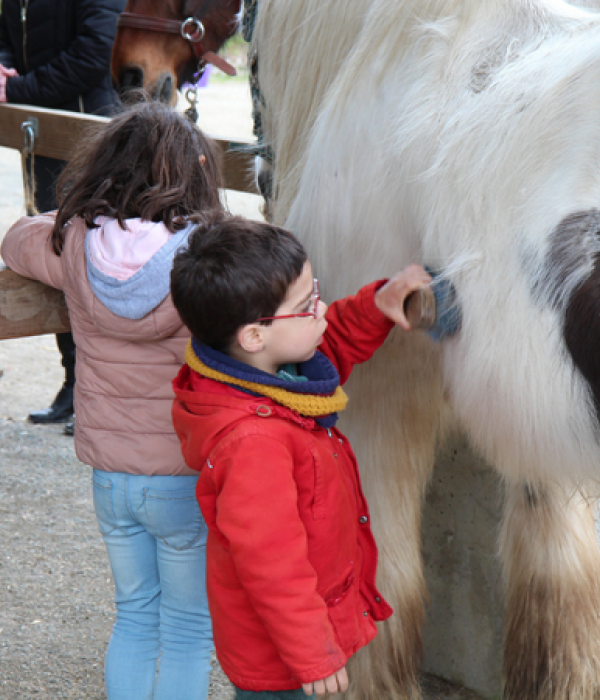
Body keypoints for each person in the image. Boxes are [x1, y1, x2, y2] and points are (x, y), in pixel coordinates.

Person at [1, 100, 224, 700]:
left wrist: (76, 215)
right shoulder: (206, 254)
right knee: (186, 625)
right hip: (180, 471)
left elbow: (15, 239)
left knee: (133, 614)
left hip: (110, 477)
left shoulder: (74, 242)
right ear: (195, 170)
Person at [169, 216, 433, 699]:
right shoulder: (253, 443)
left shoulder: (267, 369)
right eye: (306, 305)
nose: (323, 308)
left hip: (307, 638)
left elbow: (328, 348)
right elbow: (272, 565)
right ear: (253, 335)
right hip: (284, 662)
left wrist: (378, 303)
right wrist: (312, 654)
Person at [0, 0, 126, 429]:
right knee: (55, 259)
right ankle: (72, 383)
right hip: (42, 133)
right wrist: (3, 72)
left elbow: (91, 57)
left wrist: (16, 90)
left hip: (91, 137)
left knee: (95, 265)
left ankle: (100, 392)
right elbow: (5, 36)